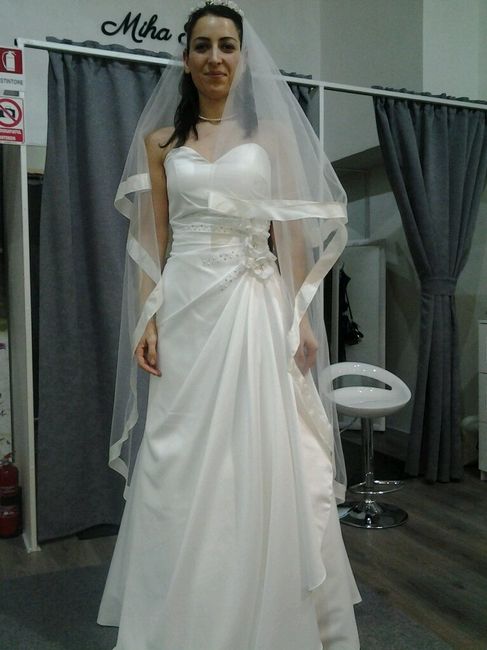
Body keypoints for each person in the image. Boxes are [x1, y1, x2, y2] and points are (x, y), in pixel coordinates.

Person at [97, 2, 361, 648]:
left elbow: (288, 233)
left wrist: (301, 319)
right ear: (185, 58)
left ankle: (265, 608)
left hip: (253, 304)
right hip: (186, 307)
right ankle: (180, 614)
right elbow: (153, 238)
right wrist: (147, 320)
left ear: (242, 56)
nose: (215, 57)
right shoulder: (162, 143)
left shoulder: (271, 136)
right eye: (202, 45)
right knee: (178, 453)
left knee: (259, 446)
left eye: (226, 45)